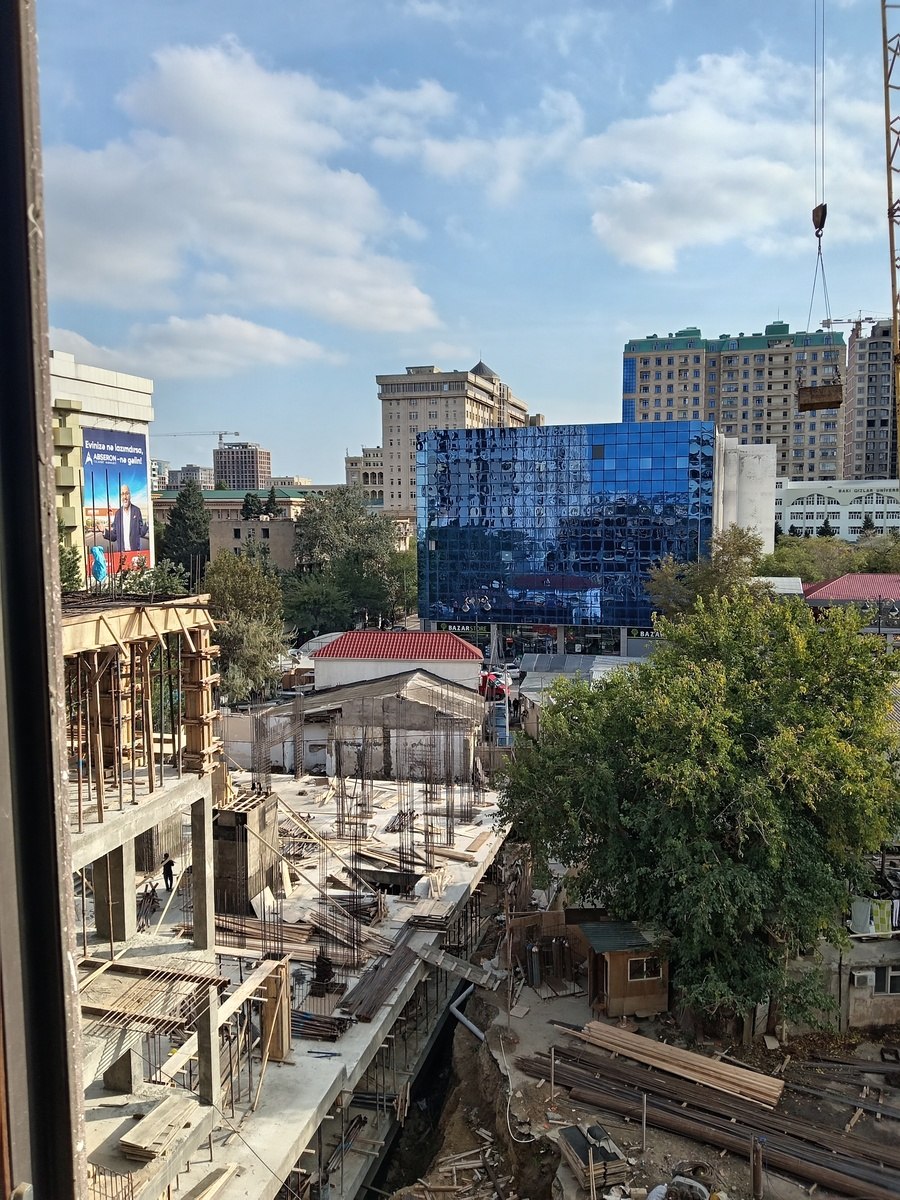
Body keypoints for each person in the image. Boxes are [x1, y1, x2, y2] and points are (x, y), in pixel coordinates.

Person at [103, 484, 149, 552]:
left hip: (134, 552)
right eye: (122, 494)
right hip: (122, 553)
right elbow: (114, 536)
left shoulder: (136, 511)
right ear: (120, 497)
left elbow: (141, 532)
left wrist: (147, 524)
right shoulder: (117, 514)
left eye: (127, 494)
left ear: (130, 495)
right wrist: (104, 531)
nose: (125, 497)